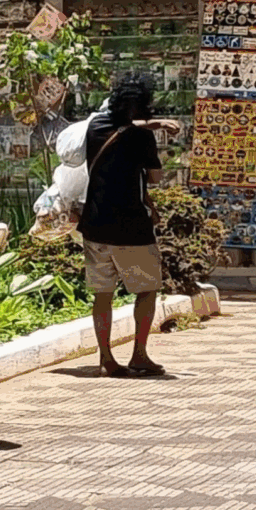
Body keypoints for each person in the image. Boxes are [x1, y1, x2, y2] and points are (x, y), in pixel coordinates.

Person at [76, 74, 182, 378]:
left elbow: (119, 129)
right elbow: (154, 178)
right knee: (147, 288)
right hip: (131, 226)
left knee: (103, 294)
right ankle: (139, 354)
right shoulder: (141, 137)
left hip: (95, 224)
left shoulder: (95, 127)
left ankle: (106, 357)